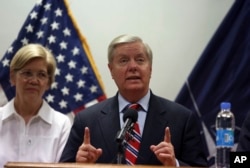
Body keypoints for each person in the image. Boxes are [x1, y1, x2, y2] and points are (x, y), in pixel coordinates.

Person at [60, 34, 208, 167]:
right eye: (123, 61)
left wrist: (174, 165)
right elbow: (65, 166)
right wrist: (80, 165)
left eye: (140, 60)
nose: (133, 67)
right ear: (111, 70)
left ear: (150, 68)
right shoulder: (86, 120)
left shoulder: (182, 118)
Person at [0, 44, 71, 167]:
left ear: (48, 82)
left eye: (41, 75)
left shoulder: (62, 125)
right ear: (13, 77)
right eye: (27, 73)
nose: (34, 81)